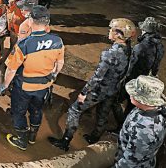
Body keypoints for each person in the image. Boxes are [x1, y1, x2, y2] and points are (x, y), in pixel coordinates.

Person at [48, 18, 136, 150]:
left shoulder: (110, 54)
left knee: (74, 110)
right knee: (103, 112)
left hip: (100, 89)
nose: (109, 31)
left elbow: (97, 77)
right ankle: (95, 137)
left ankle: (65, 141)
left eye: (111, 30)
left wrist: (83, 93)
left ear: (118, 34)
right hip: (114, 88)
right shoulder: (129, 49)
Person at [0, 5, 64, 150]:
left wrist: (4, 85)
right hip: (44, 86)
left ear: (31, 21)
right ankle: (33, 136)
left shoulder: (24, 44)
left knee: (18, 112)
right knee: (36, 110)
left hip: (24, 87)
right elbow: (60, 63)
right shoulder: (57, 41)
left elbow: (11, 69)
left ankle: (22, 140)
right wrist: (52, 76)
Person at [114, 75, 166, 168]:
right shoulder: (153, 109)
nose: (130, 95)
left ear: (144, 100)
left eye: (134, 93)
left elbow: (130, 162)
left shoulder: (145, 130)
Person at [121, 17, 164, 116]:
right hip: (149, 78)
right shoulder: (160, 45)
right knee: (141, 103)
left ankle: (122, 124)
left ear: (144, 30)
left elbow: (130, 67)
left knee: (130, 101)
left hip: (136, 78)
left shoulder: (140, 47)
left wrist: (124, 79)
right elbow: (156, 65)